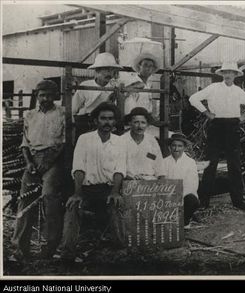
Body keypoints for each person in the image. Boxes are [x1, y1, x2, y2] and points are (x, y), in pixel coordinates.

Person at [61, 102, 126, 261]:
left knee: (117, 204)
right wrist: (77, 194)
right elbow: (78, 167)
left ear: (115, 122)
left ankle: (121, 250)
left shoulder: (120, 141)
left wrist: (115, 192)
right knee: (73, 206)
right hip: (86, 189)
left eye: (111, 119)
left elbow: (120, 169)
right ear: (96, 121)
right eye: (103, 118)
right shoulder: (84, 139)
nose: (107, 122)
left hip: (108, 189)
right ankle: (67, 254)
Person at [189, 61, 245, 210]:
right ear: (222, 74)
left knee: (235, 164)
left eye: (231, 73)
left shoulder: (238, 90)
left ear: (235, 75)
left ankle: (238, 201)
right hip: (216, 126)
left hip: (233, 126)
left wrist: (244, 116)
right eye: (225, 72)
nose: (228, 75)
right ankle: (204, 201)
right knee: (210, 163)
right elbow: (193, 98)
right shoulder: (213, 88)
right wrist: (206, 113)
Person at [12, 80, 66, 260]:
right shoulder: (30, 115)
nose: (45, 98)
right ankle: (20, 248)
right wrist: (29, 163)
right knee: (24, 200)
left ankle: (50, 248)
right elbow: (25, 143)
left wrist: (49, 161)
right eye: (42, 95)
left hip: (54, 160)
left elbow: (63, 142)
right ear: (37, 96)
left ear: (55, 96)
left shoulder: (62, 113)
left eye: (49, 95)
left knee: (49, 197)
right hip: (32, 161)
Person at [72, 52, 122, 141]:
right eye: (106, 70)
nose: (109, 73)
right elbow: (73, 109)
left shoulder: (114, 87)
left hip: (106, 124)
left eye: (111, 70)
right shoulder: (85, 86)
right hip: (86, 124)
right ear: (97, 71)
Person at [164, 133, 200, 227]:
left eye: (180, 146)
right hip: (167, 197)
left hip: (183, 196)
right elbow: (160, 181)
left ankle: (185, 221)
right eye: (174, 145)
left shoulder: (190, 162)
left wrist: (177, 198)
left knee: (192, 200)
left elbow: (192, 186)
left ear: (184, 148)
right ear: (170, 147)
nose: (176, 149)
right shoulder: (164, 162)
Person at [121, 107, 165, 180]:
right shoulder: (122, 140)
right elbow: (117, 167)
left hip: (150, 182)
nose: (140, 126)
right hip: (128, 181)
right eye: (136, 122)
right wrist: (129, 177)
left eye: (143, 122)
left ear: (147, 124)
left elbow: (159, 164)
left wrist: (162, 181)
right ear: (130, 123)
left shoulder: (152, 140)